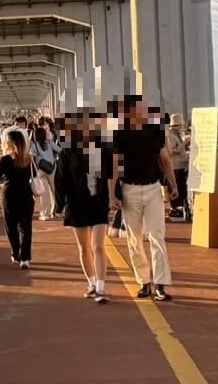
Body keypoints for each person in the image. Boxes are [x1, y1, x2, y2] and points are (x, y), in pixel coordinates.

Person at [110, 97, 177, 302]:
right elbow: (113, 166)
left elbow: (165, 160)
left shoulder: (155, 132)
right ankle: (144, 282)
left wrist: (173, 184)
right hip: (129, 190)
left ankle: (160, 284)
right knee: (135, 240)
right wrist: (111, 194)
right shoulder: (119, 134)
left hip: (152, 189)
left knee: (156, 236)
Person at [54, 112, 112, 304]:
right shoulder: (67, 152)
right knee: (84, 248)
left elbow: (112, 174)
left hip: (98, 202)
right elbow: (60, 180)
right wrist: (59, 205)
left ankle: (101, 289)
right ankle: (92, 284)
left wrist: (114, 197)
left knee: (98, 246)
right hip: (77, 203)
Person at [0, 129, 35, 269]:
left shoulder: (5, 159)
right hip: (26, 195)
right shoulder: (29, 158)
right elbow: (33, 174)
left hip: (9, 195)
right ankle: (25, 258)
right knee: (26, 228)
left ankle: (16, 253)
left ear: (9, 143)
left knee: (10, 226)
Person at [30, 123, 59, 221]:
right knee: (55, 190)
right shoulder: (50, 143)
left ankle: (46, 214)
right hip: (52, 168)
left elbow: (30, 155)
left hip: (41, 170)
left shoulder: (34, 145)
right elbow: (60, 150)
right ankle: (56, 211)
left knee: (44, 192)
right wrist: (54, 157)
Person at [166, 113, 191, 222]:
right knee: (176, 186)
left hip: (179, 165)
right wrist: (184, 143)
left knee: (181, 187)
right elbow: (172, 149)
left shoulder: (175, 134)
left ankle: (178, 208)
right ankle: (175, 209)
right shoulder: (170, 135)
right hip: (175, 166)